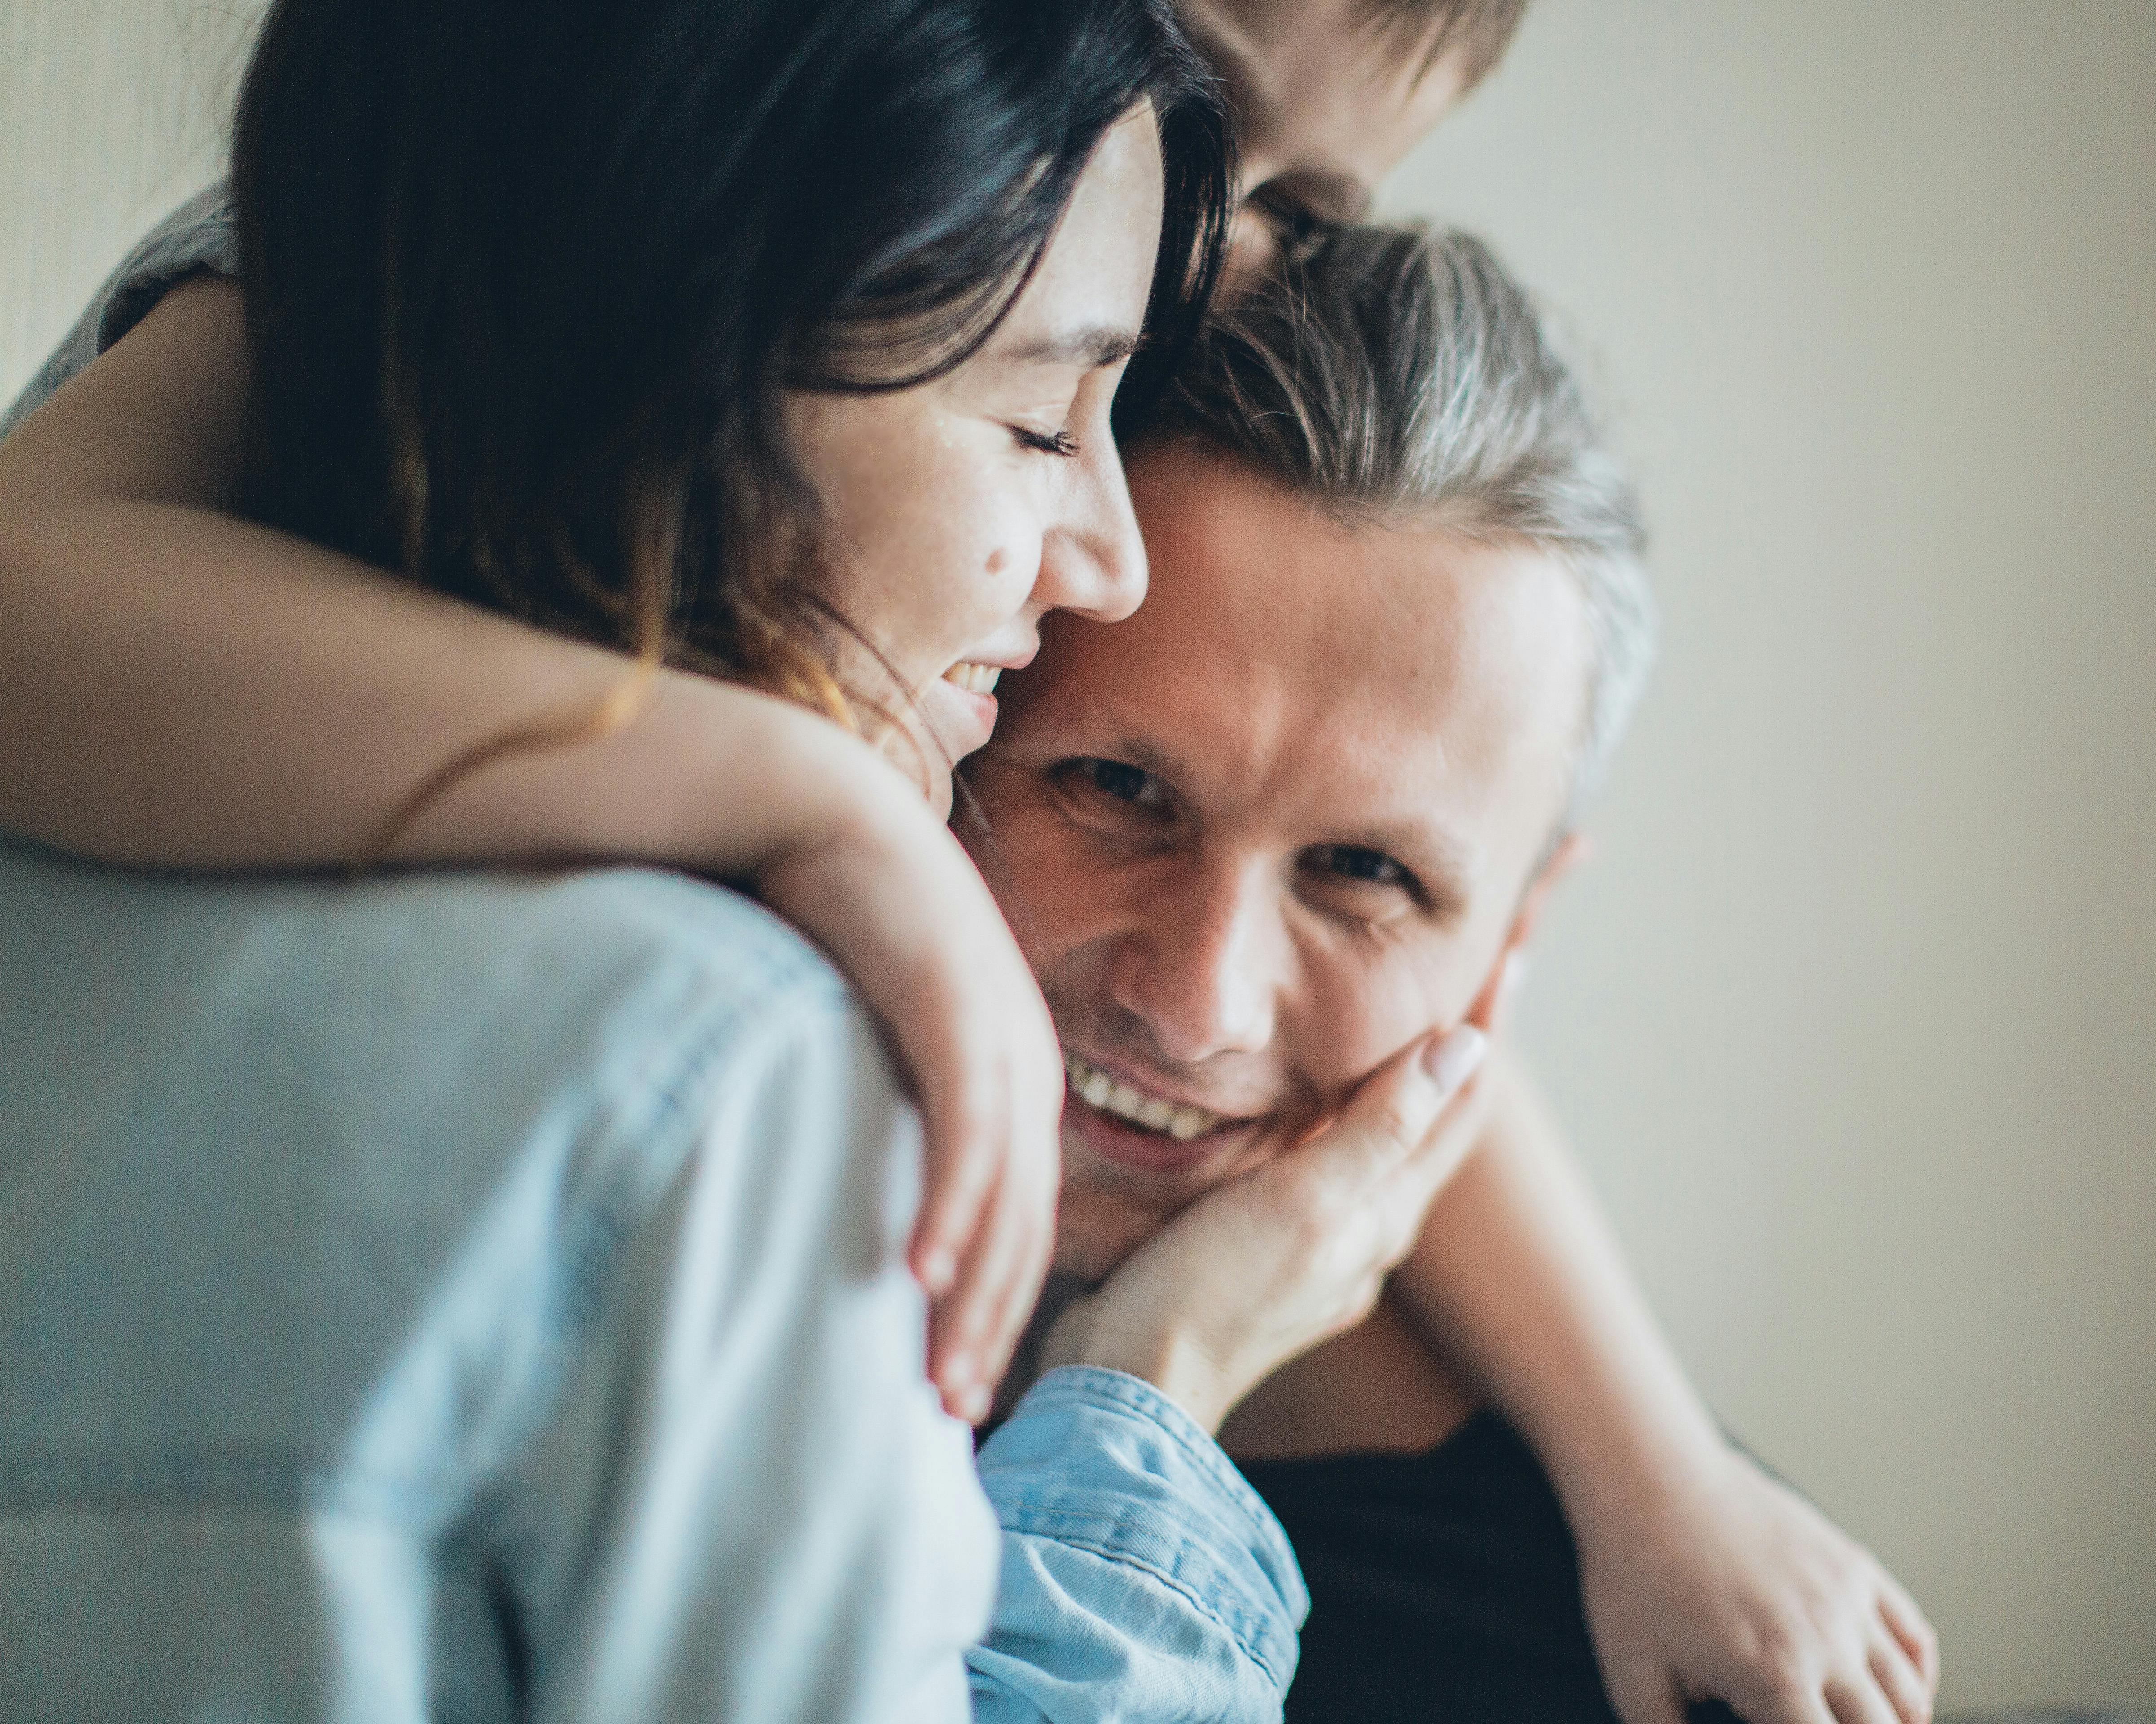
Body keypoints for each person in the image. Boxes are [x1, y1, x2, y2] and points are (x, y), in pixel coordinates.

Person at [0, 2, 1941, 1720]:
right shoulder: (474, 248)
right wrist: (796, 796)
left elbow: (1410, 1019)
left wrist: (1656, 1469)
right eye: (1107, 789)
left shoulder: (1045, 442)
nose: (1211, 245)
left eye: (1298, 204)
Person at [967, 222, 1940, 1724]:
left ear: (1514, 940)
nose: (1198, 1002)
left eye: (1365, 876)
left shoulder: (1643, 1651)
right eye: (1115, 788)